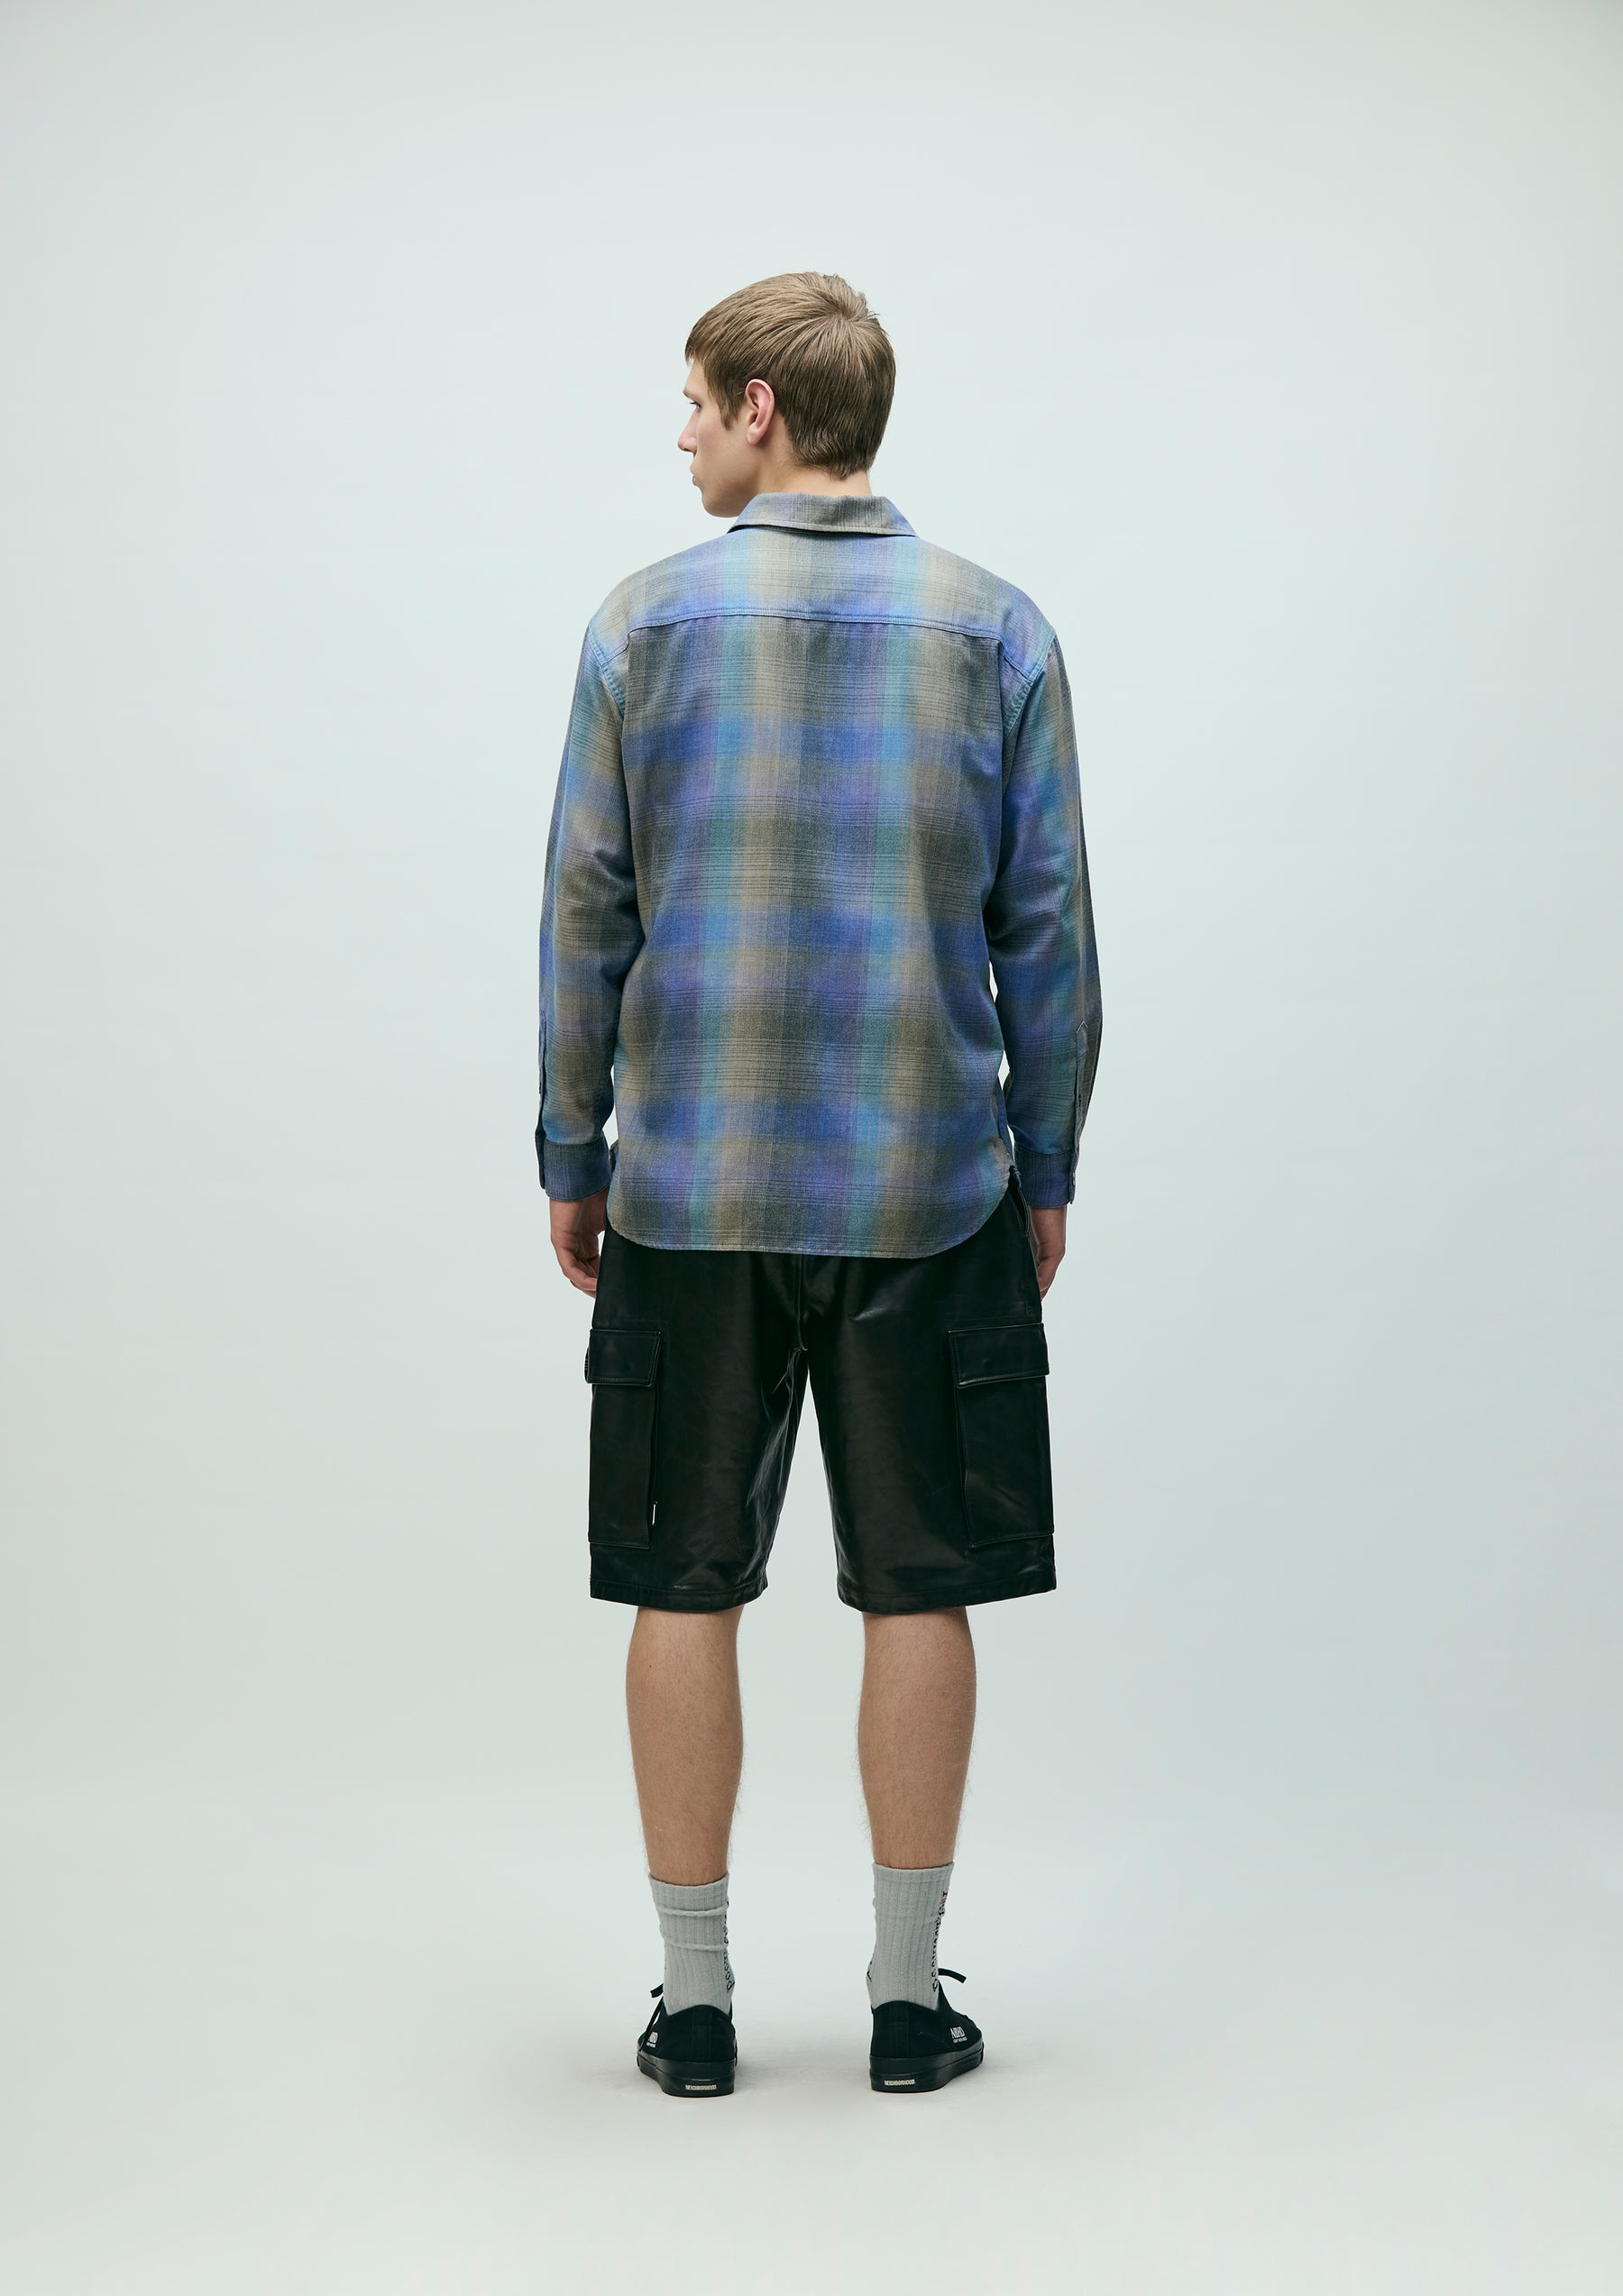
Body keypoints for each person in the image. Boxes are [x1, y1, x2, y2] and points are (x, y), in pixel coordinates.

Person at [536, 272, 1102, 2099]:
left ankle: (697, 2007)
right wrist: (1045, 1159)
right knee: (916, 1586)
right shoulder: (996, 629)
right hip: (928, 1188)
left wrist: (572, 1149)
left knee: (681, 1581)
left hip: (689, 1192)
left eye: (697, 400)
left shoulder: (641, 627)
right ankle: (907, 2002)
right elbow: (1048, 931)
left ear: (765, 411)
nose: (683, 432)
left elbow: (587, 912)